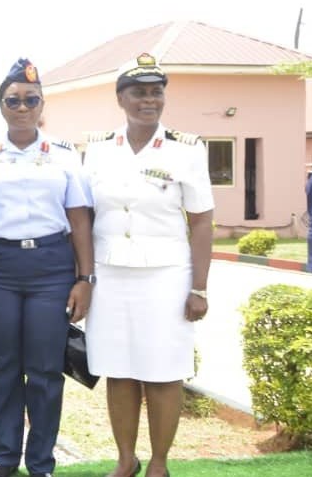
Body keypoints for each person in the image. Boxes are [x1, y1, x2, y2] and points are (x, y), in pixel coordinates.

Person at [0, 59, 94, 477]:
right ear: (1, 106)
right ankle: (3, 458)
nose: (21, 107)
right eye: (13, 100)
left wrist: (85, 279)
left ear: (42, 105)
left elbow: (80, 221)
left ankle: (41, 462)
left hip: (52, 267)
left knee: (46, 368)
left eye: (31, 100)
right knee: (1, 365)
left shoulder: (64, 155)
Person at [83, 54, 214, 477]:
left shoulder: (186, 149)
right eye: (139, 92)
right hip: (109, 276)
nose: (149, 100)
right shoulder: (98, 149)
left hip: (166, 277)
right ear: (120, 98)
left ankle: (159, 463)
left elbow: (201, 221)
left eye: (156, 92)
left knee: (163, 372)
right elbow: (84, 216)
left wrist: (199, 287)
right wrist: (82, 278)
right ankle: (126, 459)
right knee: (118, 370)